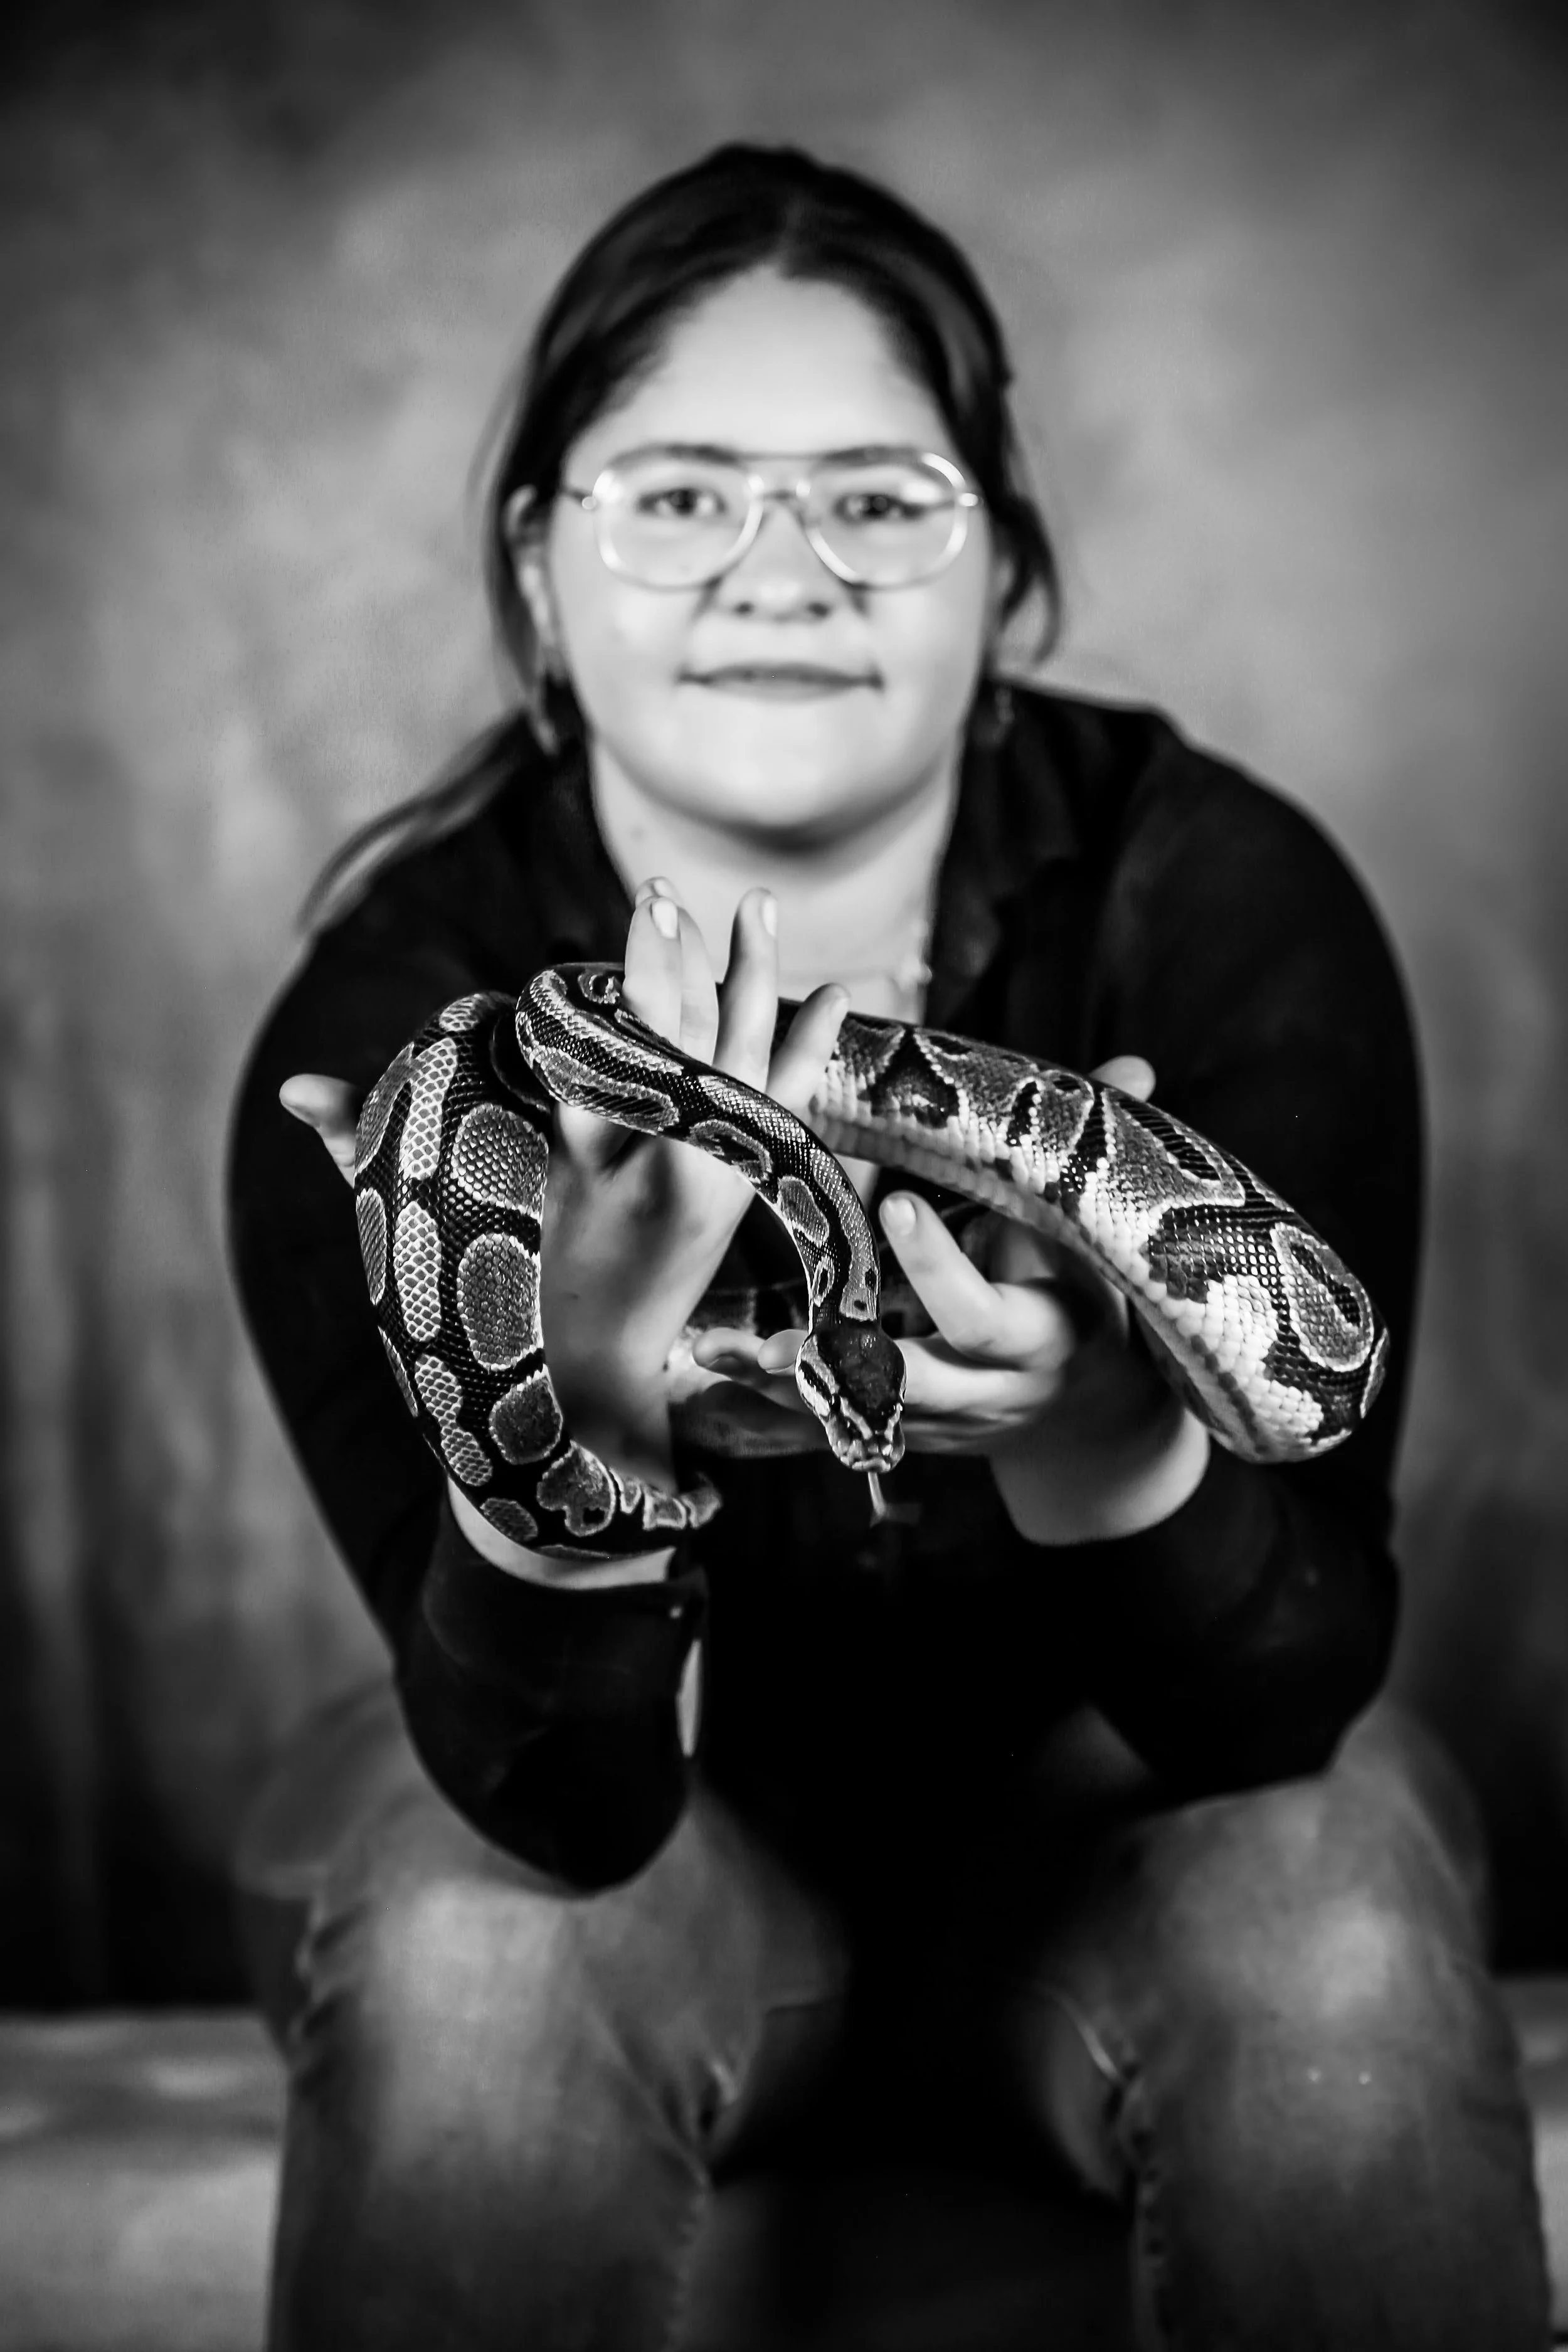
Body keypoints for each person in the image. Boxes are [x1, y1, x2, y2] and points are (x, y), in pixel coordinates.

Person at [225, 142, 1549, 2349]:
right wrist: (575, 1464)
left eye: (876, 497)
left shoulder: (1216, 904)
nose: (781, 570)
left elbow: (1285, 1691)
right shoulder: (397, 1046)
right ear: (538, 568)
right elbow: (549, 1802)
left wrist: (1117, 1436)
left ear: (1002, 571)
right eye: (677, 493)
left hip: (1124, 1845)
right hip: (646, 1869)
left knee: (1322, 1903)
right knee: (476, 1936)